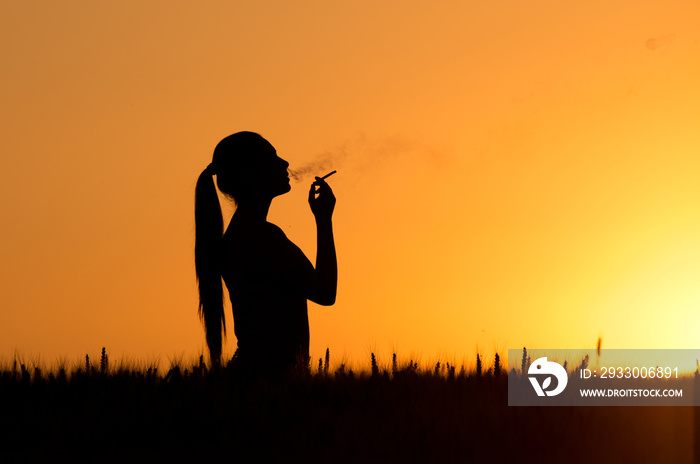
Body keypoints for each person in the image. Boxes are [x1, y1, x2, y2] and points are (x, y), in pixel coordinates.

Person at [194, 131, 337, 375]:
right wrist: (324, 220)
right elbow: (325, 292)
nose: (285, 164)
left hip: (257, 374)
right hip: (272, 376)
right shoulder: (261, 237)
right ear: (248, 175)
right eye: (272, 158)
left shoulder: (237, 236)